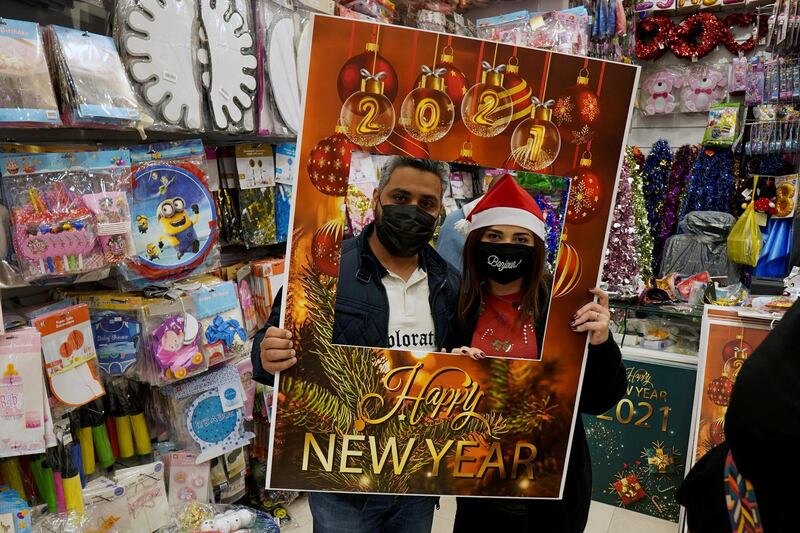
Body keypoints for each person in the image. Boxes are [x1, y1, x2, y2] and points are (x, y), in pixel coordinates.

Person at [251, 156, 460, 533]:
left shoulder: (451, 284)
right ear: (377, 198)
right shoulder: (322, 268)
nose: (412, 211)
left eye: (426, 203)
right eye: (400, 196)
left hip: (416, 474)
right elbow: (269, 346)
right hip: (341, 476)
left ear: (439, 211)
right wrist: (268, 354)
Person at [445, 174, 627, 532]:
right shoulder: (459, 305)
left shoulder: (561, 305)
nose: (506, 246)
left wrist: (601, 343)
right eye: (494, 236)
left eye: (520, 239)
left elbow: (600, 399)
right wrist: (455, 368)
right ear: (475, 241)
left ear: (537, 246)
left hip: (551, 485)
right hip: (481, 482)